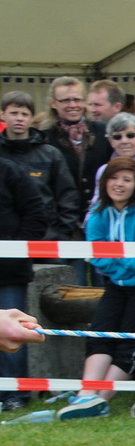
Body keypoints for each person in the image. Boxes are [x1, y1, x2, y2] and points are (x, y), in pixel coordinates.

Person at [57, 158, 135, 420]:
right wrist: (123, 265)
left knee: (132, 342)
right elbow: (96, 254)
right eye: (114, 178)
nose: (119, 184)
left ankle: (101, 402)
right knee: (100, 333)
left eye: (127, 179)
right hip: (117, 282)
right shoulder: (100, 213)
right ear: (104, 183)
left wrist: (120, 262)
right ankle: (86, 395)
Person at [0, 153, 49, 411]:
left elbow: (36, 214)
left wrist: (14, 251)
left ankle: (15, 394)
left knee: (15, 333)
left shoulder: (11, 171)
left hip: (9, 271)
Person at [1, 90, 80, 240]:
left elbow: (67, 198)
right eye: (14, 113)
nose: (19, 118)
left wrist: (61, 236)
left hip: (46, 241)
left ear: (32, 118)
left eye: (24, 114)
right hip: (5, 243)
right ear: (2, 115)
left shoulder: (50, 154)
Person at [38, 76, 110, 206]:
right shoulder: (44, 139)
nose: (73, 105)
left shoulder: (102, 131)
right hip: (64, 218)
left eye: (77, 99)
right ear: (53, 103)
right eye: (66, 100)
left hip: (101, 214)